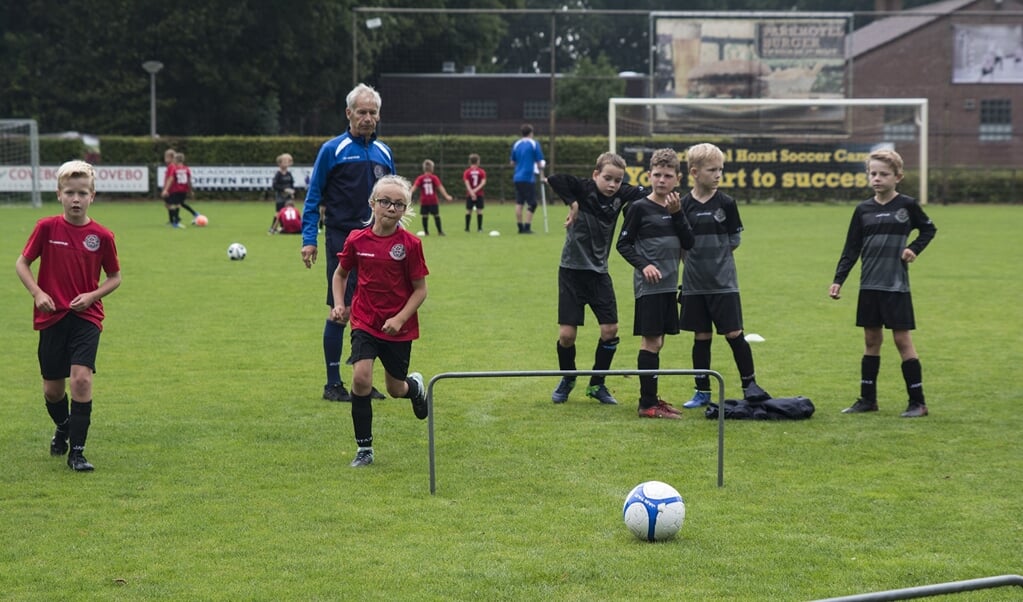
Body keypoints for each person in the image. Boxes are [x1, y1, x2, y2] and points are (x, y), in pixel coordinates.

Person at [15, 160, 122, 471]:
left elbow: (115, 276)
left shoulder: (102, 235)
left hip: (87, 317)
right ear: (59, 195)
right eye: (70, 193)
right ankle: (63, 426)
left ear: (93, 196)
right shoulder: (46, 228)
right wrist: (38, 293)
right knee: (52, 389)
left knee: (81, 380)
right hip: (51, 316)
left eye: (83, 193)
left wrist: (91, 296)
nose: (77, 199)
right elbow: (22, 264)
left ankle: (77, 452)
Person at [301, 83, 393, 403]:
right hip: (343, 239)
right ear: (348, 113)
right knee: (342, 310)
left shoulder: (384, 152)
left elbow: (392, 198)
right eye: (361, 112)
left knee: (373, 311)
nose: (367, 118)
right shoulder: (333, 150)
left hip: (378, 240)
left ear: (378, 116)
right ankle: (332, 383)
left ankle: (362, 380)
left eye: (372, 112)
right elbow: (313, 198)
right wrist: (309, 240)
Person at [330, 175, 429, 467]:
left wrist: (399, 319)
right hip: (364, 321)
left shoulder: (410, 245)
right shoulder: (357, 240)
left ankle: (416, 387)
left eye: (398, 204)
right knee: (361, 379)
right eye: (385, 202)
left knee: (395, 389)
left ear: (405, 210)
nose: (390, 208)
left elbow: (420, 290)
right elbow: (340, 274)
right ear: (373, 203)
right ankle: (365, 450)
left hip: (399, 327)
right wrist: (339, 304)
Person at [829, 149, 937, 418]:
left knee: (902, 340)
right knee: (871, 339)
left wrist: (913, 249)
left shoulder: (907, 206)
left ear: (897, 177)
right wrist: (838, 280)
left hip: (896, 286)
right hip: (870, 286)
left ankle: (918, 403)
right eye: (873, 173)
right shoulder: (862, 210)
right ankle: (868, 399)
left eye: (883, 174)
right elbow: (851, 248)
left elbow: (928, 228)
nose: (877, 179)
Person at [547, 152, 649, 406]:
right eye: (607, 178)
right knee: (567, 335)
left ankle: (597, 383)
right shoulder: (583, 188)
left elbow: (648, 194)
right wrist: (573, 203)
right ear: (595, 175)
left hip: (599, 273)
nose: (612, 185)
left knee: (610, 329)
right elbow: (554, 178)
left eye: (618, 180)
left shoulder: (622, 194)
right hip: (571, 271)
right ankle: (567, 378)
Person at [676, 143, 771, 409]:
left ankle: (750, 384)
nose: (718, 175)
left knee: (733, 333)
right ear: (695, 172)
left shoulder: (727, 203)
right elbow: (681, 244)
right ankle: (702, 390)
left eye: (721, 169)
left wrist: (716, 261)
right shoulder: (683, 205)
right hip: (695, 286)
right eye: (712, 170)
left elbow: (734, 240)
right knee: (701, 337)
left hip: (724, 284)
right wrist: (694, 264)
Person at [615, 148, 694, 419]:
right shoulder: (638, 208)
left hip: (670, 285)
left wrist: (677, 214)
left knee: (658, 342)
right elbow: (623, 244)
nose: (661, 180)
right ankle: (646, 404)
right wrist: (644, 264)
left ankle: (651, 399)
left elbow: (689, 242)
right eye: (657, 175)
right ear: (649, 175)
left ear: (677, 178)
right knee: (650, 342)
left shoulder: (677, 207)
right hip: (648, 287)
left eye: (668, 176)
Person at [509, 123, 545, 234]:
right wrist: (542, 175)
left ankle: (520, 227)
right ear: (531, 133)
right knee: (532, 203)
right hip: (528, 177)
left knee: (519, 202)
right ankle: (527, 227)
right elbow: (540, 162)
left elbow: (512, 162)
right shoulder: (534, 144)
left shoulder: (517, 144)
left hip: (517, 177)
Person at [411, 159, 452, 236]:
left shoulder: (420, 178)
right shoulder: (434, 178)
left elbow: (414, 187)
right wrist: (446, 196)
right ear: (432, 168)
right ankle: (440, 232)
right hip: (433, 200)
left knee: (424, 216)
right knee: (436, 215)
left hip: (424, 201)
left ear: (424, 168)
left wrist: (408, 194)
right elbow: (440, 187)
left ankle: (426, 232)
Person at [161, 148, 202, 225]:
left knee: (173, 204)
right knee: (174, 204)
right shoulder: (175, 166)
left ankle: (175, 220)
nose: (165, 159)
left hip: (173, 189)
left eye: (166, 157)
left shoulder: (173, 166)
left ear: (172, 158)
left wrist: (166, 189)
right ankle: (174, 220)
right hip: (174, 189)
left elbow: (171, 178)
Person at [270, 152, 296, 234]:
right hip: (280, 197)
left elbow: (291, 184)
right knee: (279, 213)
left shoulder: (289, 174)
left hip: (288, 197)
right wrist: (285, 190)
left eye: (287, 162)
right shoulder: (278, 174)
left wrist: (292, 191)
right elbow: (275, 186)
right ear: (279, 164)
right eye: (284, 162)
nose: (286, 164)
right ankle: (272, 228)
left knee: (289, 211)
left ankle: (285, 227)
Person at [462, 153, 487, 233]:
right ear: (478, 161)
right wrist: (476, 191)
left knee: (468, 210)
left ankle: (467, 228)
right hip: (479, 194)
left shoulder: (467, 172)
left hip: (470, 194)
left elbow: (467, 183)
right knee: (479, 211)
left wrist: (471, 192)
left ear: (470, 161)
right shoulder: (481, 171)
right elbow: (483, 182)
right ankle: (479, 228)